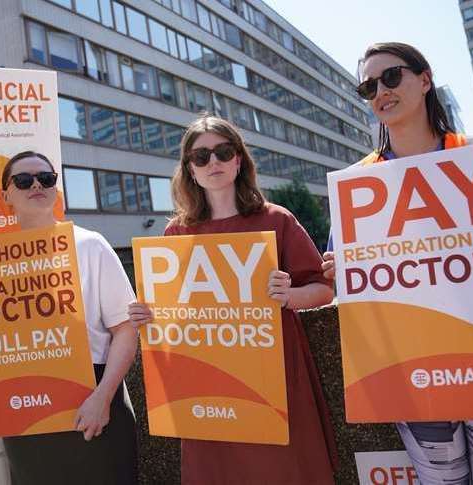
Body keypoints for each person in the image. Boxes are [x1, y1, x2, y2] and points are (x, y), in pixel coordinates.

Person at [322, 42, 473, 484]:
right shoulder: (358, 183)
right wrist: (338, 272)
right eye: (369, 86)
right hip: (412, 371)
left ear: (425, 80)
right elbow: (341, 284)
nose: (380, 92)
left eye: (392, 77)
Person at [128, 115, 337, 484]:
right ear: (189, 169)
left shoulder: (277, 220)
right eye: (201, 156)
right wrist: (148, 314)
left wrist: (289, 296)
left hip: (273, 378)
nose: (214, 163)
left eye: (223, 152)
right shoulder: (176, 232)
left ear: (239, 160)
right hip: (207, 382)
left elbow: (323, 288)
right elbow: (173, 313)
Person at [0, 151, 139, 484]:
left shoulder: (91, 245)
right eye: (23, 180)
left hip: (93, 404)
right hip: (25, 411)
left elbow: (125, 328)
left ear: (56, 188)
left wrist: (103, 397)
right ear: (6, 195)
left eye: (46, 178)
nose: (36, 184)